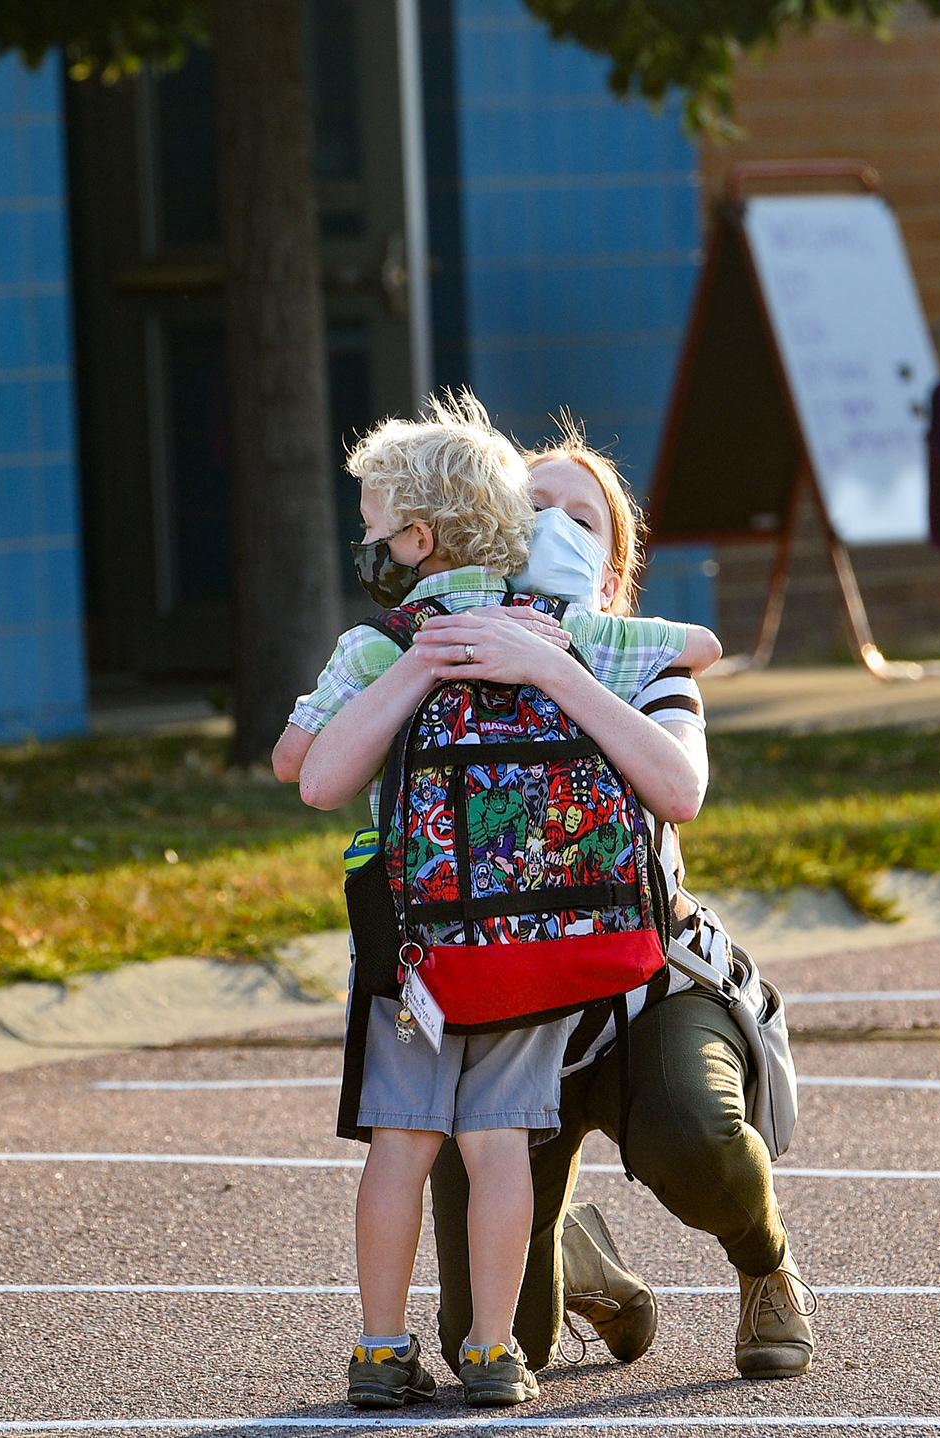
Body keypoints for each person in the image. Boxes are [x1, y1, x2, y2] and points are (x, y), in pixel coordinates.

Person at [269, 394, 718, 1410]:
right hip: (533, 940)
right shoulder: (565, 634)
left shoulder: (389, 643)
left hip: (414, 957)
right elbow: (696, 644)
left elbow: (315, 777)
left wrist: (412, 667)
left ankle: (381, 1350)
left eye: (379, 524)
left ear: (418, 536)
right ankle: (491, 1354)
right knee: (498, 1144)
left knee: (400, 1145)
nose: (372, 542)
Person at [425, 435, 818, 1384]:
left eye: (583, 518)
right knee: (485, 1343)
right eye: (533, 511)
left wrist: (556, 667)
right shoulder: (444, 653)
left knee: (695, 1135)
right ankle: (576, 1259)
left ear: (613, 572)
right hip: (504, 1000)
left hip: (646, 983)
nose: (553, 528)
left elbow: (679, 788)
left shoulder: (642, 660)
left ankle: (766, 1263)